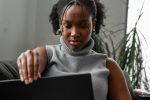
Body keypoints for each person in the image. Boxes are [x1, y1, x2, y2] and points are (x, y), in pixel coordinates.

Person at [16, 0, 132, 100]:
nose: (75, 33)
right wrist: (28, 58)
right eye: (68, 25)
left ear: (93, 24)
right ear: (61, 25)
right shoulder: (47, 54)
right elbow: (35, 58)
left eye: (82, 25)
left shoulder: (109, 66)